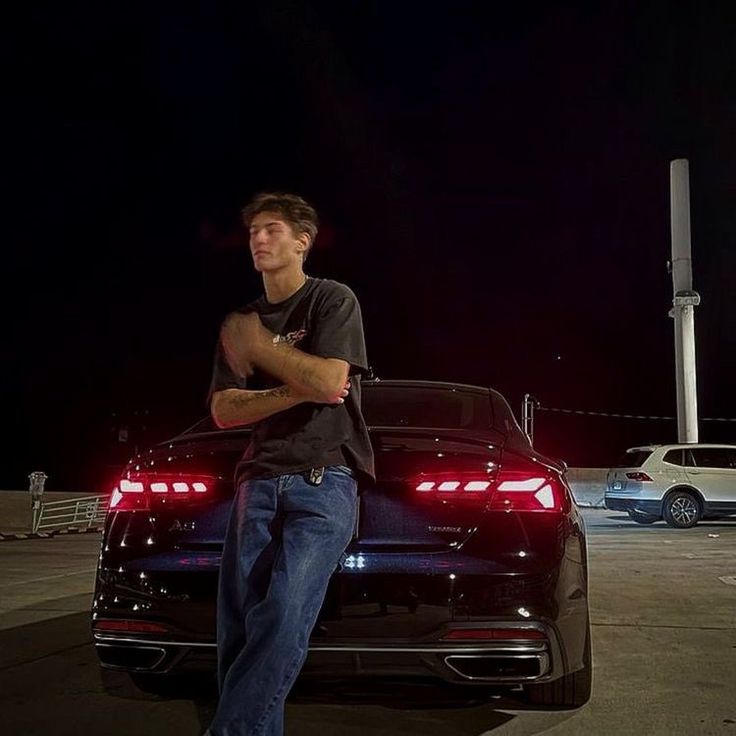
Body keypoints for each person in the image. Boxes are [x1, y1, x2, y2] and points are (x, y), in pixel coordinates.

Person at [204, 192, 374, 736]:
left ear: (303, 241)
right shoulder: (242, 322)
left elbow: (331, 383)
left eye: (272, 229)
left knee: (282, 615)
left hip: (322, 479)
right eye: (254, 231)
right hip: (257, 481)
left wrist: (265, 353)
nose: (258, 239)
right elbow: (224, 411)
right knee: (239, 630)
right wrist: (296, 382)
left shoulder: (331, 299)